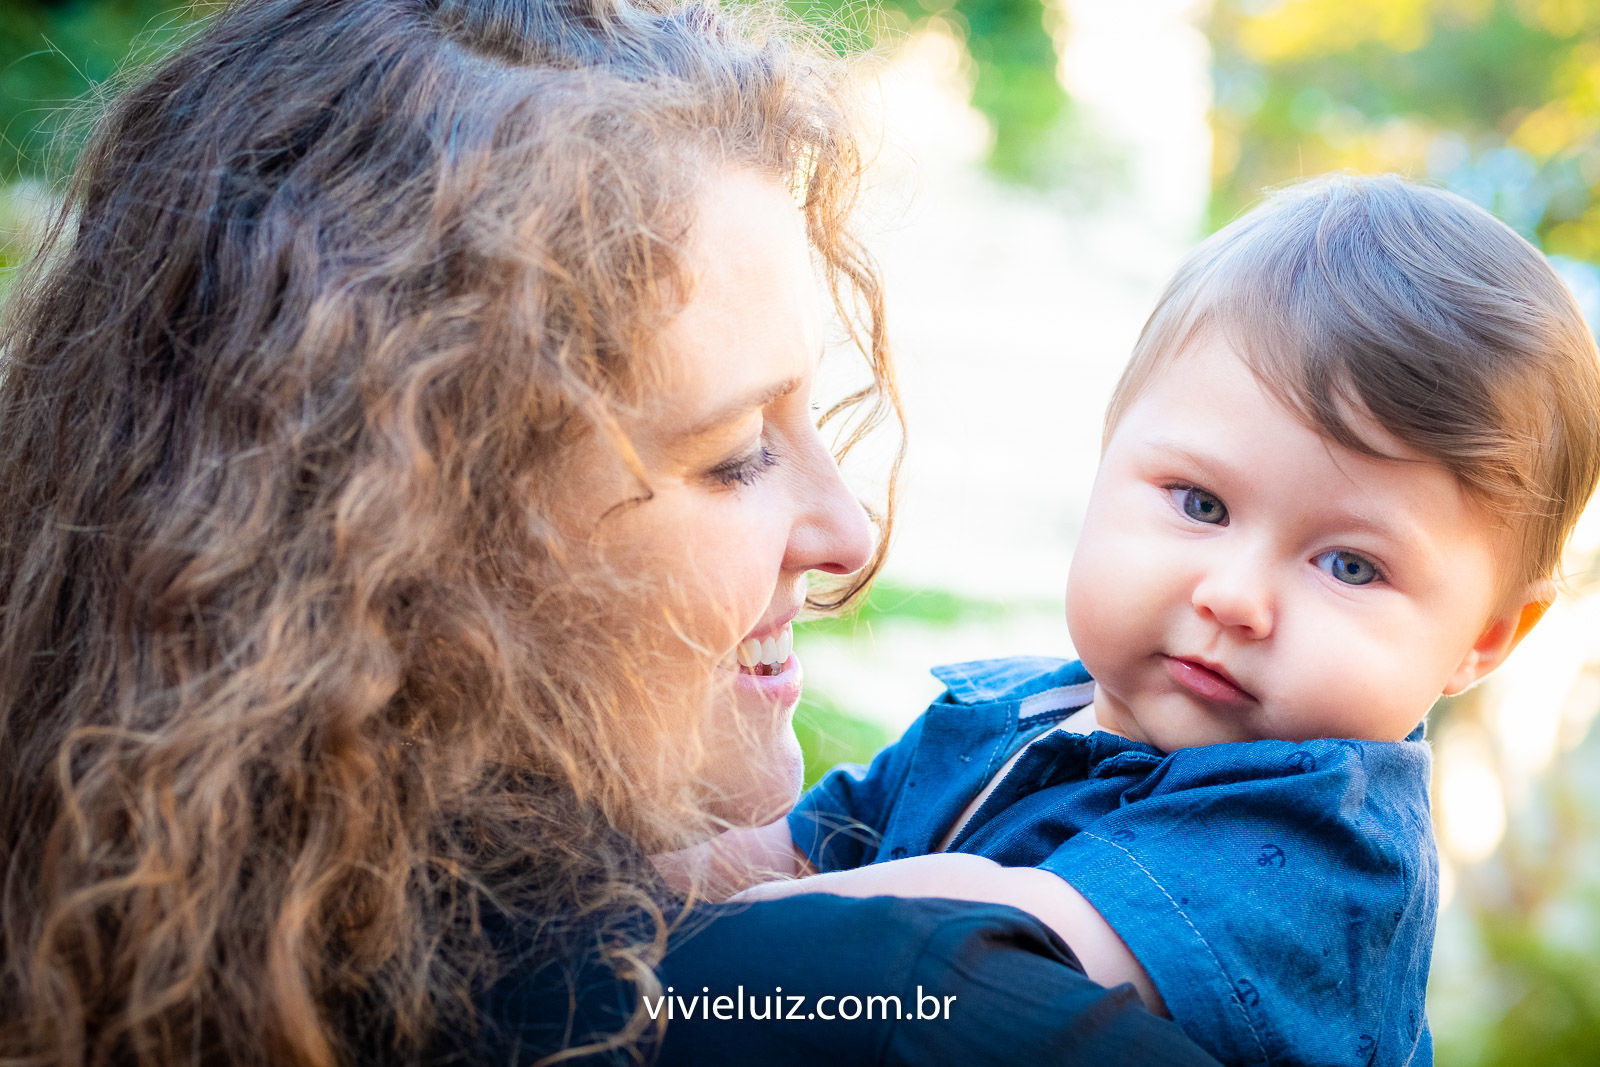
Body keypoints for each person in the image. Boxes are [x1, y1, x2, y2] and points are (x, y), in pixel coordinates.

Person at [0, 1, 1221, 1064]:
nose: (849, 531)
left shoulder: (98, 926)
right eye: (738, 451)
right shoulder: (888, 1004)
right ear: (414, 534)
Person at [723, 175, 1600, 1066]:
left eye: (1350, 565)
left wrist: (712, 945)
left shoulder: (1325, 846)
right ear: (1108, 455)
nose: (1235, 598)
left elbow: (975, 935)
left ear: (1485, 637)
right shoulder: (1013, 711)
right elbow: (796, 846)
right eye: (1201, 504)